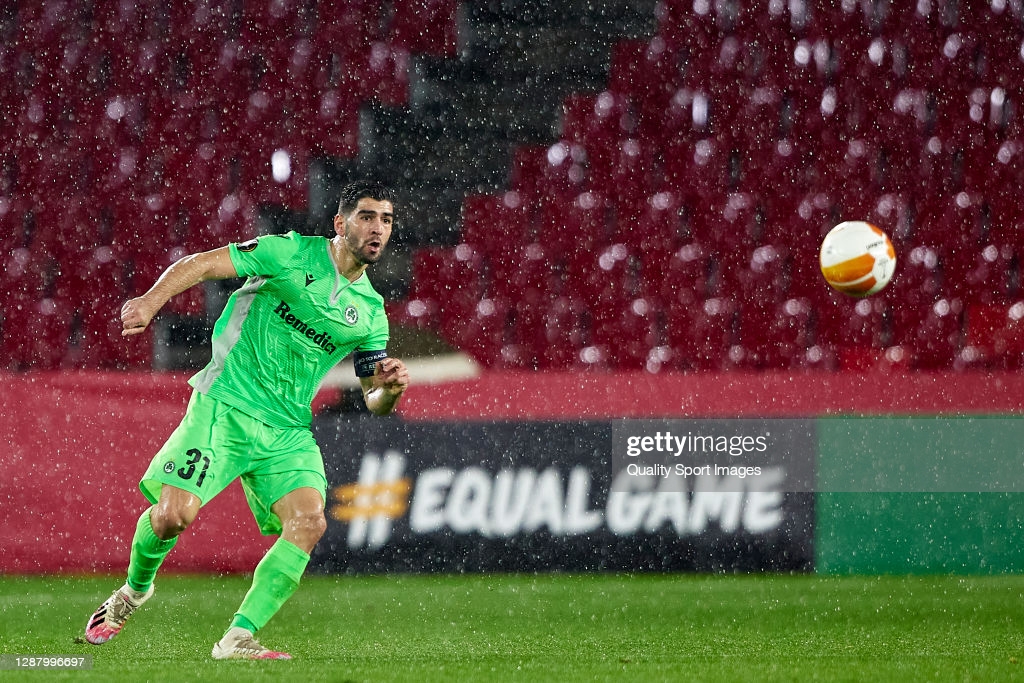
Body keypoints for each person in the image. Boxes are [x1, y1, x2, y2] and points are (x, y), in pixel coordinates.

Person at [85, 180, 410, 659]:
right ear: (340, 224)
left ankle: (238, 637)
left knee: (309, 522)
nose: (377, 228)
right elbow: (201, 264)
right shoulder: (286, 254)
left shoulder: (370, 313)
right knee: (174, 517)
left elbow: (373, 398)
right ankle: (134, 591)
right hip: (226, 406)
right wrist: (151, 302)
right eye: (366, 216)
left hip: (287, 430)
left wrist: (392, 388)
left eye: (385, 219)